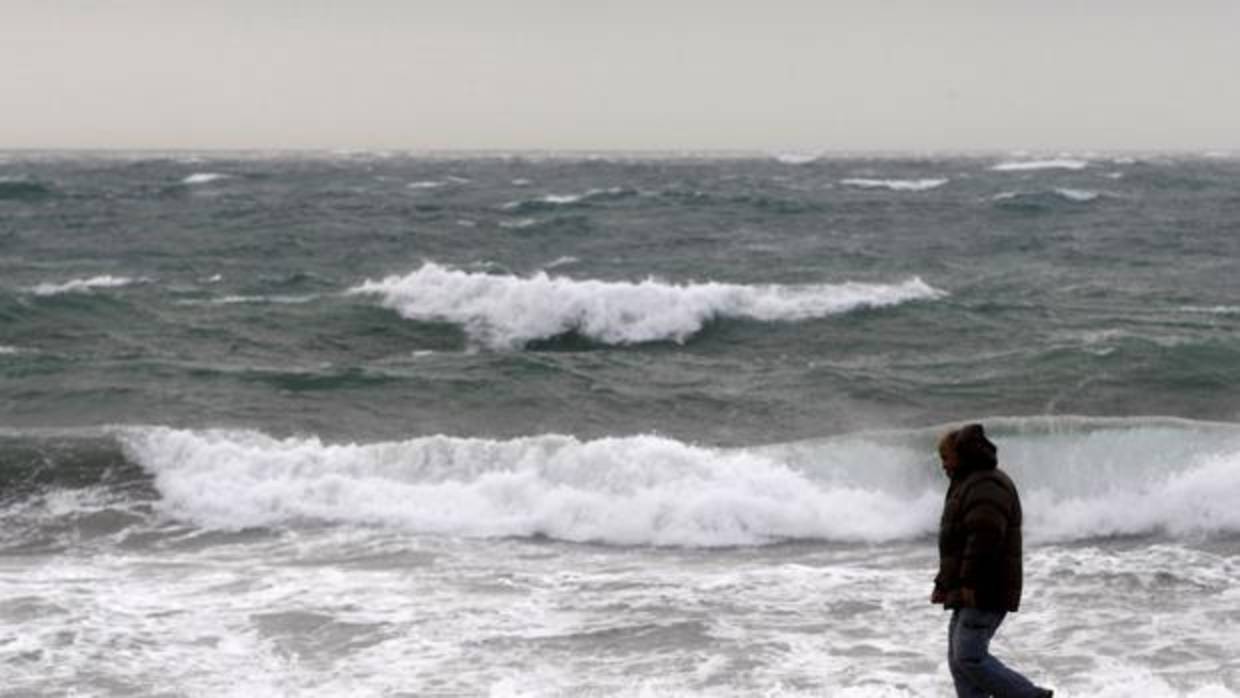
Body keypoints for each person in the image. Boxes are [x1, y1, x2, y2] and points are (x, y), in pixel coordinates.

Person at [930, 423, 1053, 698]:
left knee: (969, 657)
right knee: (959, 660)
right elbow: (955, 544)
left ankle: (1031, 696)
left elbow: (984, 539)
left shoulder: (986, 484)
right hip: (967, 587)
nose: (944, 466)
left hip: (985, 587)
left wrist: (969, 582)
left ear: (962, 456)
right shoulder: (967, 484)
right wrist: (943, 584)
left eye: (946, 458)